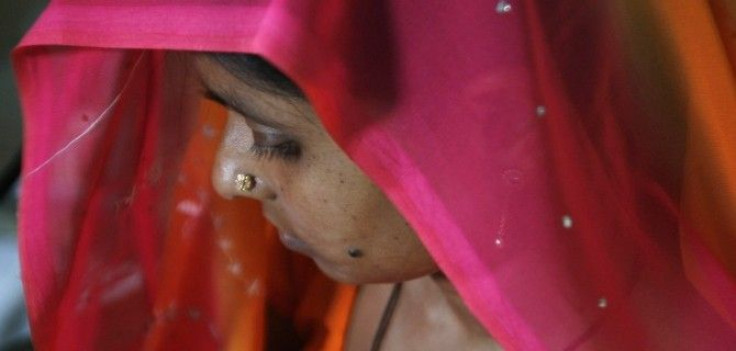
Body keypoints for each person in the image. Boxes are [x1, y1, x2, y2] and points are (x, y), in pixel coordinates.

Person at [12, 0, 736, 350]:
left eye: (274, 139)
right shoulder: (350, 274)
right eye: (221, 118)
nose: (230, 175)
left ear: (492, 131)